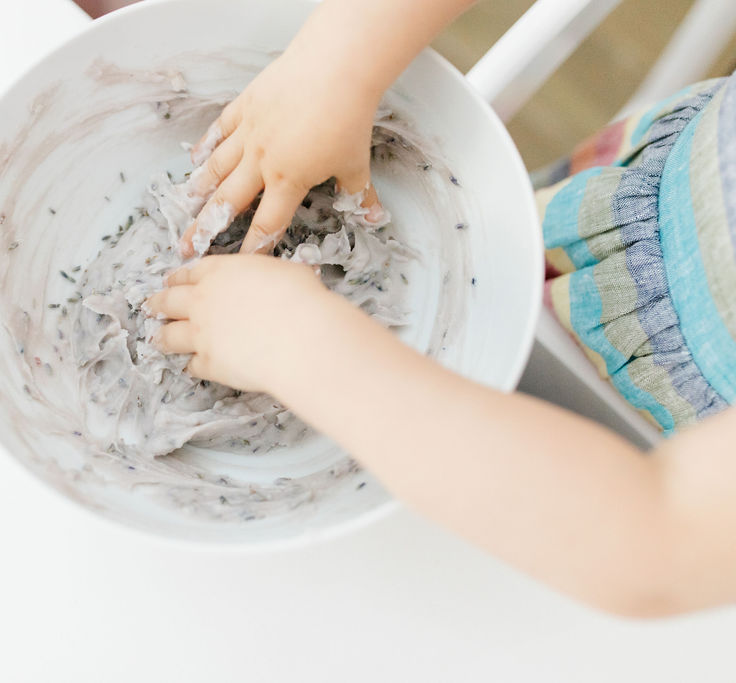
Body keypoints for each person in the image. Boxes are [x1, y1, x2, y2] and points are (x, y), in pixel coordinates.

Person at [144, 0, 736, 618]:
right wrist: (338, 63)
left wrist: (302, 351)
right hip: (617, 212)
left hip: (600, 471)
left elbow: (653, 549)